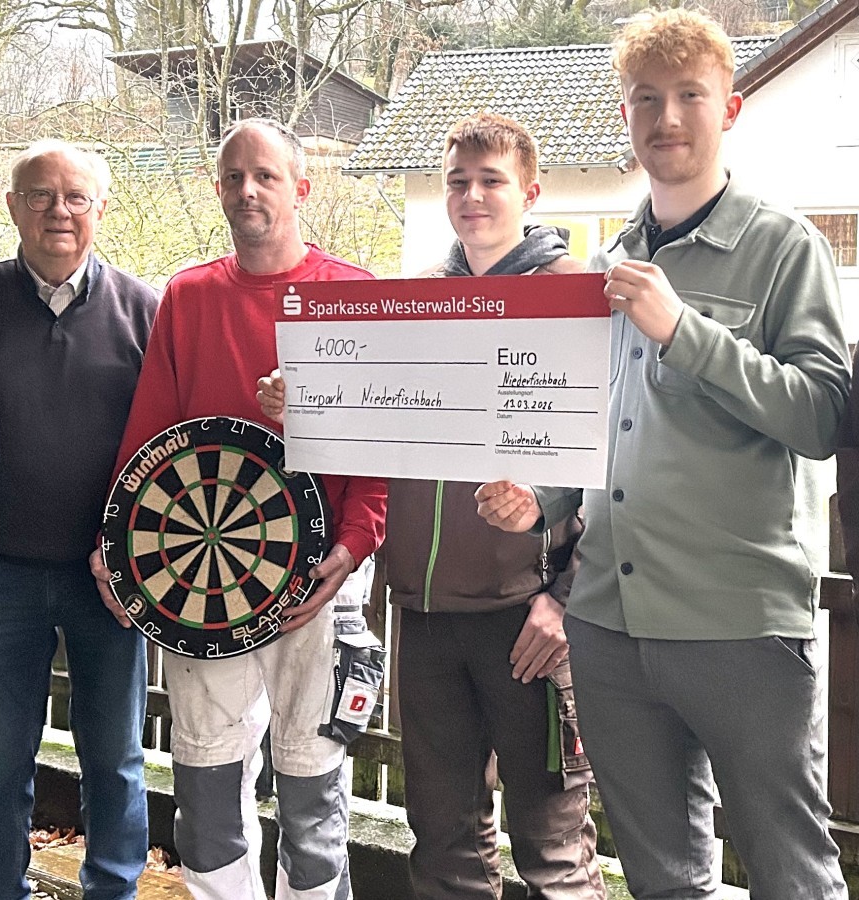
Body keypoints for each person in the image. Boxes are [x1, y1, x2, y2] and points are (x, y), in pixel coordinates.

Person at [475, 10, 850, 899]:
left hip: (741, 625)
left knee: (793, 872)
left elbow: (823, 417)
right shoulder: (607, 264)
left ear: (733, 109)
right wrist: (549, 500)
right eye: (647, 99)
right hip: (607, 626)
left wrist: (685, 330)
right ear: (625, 116)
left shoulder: (783, 247)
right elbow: (601, 429)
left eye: (691, 96)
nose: (668, 117)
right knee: (660, 877)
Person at [257, 113, 605, 900]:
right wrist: (303, 406)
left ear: (531, 191)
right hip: (422, 613)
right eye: (458, 181)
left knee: (551, 849)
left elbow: (617, 471)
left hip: (528, 621)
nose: (472, 196)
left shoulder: (577, 297)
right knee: (443, 844)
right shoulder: (414, 302)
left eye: (491, 181)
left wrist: (566, 599)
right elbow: (375, 432)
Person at [91, 117, 387, 900]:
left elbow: (382, 454)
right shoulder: (188, 296)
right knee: (207, 767)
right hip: (199, 578)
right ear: (218, 188)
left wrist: (352, 548)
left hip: (319, 576)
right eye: (233, 177)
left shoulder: (353, 298)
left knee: (311, 772)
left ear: (302, 186)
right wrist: (119, 545)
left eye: (264, 175)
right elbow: (149, 433)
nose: (247, 190)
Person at [0, 139, 158, 900]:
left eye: (76, 197)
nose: (59, 211)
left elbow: (176, 442)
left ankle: (114, 888)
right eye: (40, 195)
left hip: (109, 582)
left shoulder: (146, 310)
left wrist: (143, 566)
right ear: (12, 206)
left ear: (101, 208)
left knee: (114, 759)